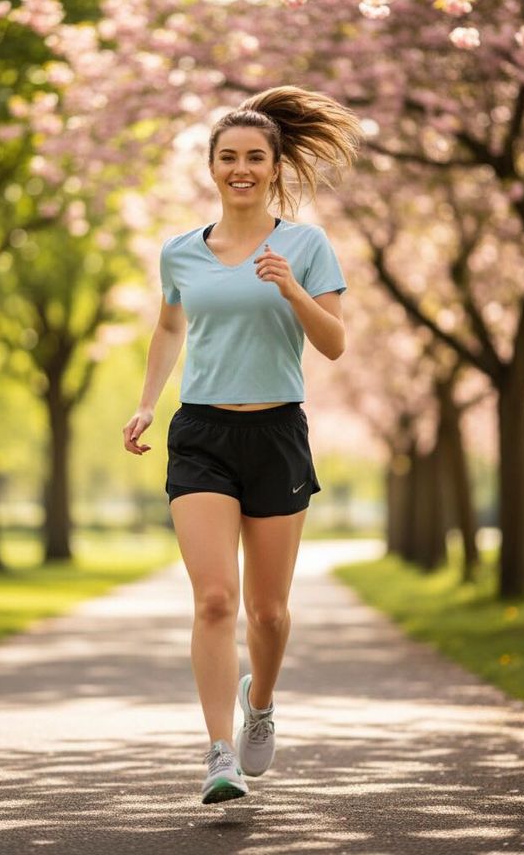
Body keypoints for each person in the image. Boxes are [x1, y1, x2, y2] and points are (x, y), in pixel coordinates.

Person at [123, 84, 362, 805]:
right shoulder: (180, 253)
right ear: (212, 167)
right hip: (201, 432)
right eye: (229, 158)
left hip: (277, 432)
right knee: (216, 601)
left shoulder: (306, 246)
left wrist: (291, 289)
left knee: (269, 612)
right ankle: (219, 752)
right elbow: (170, 328)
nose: (242, 169)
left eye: (255, 157)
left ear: (275, 163)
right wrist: (145, 402)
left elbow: (335, 345)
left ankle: (260, 706)